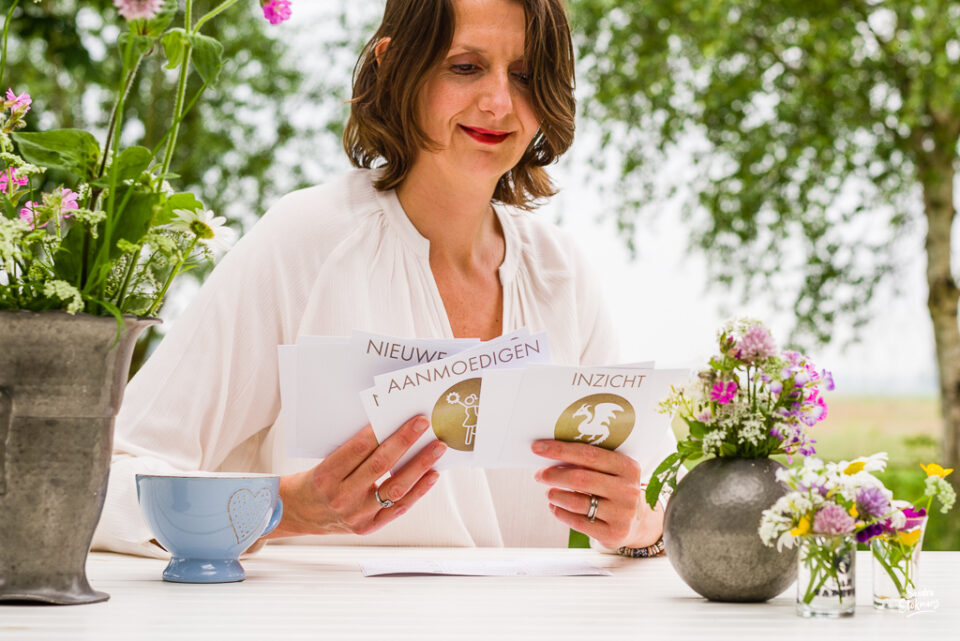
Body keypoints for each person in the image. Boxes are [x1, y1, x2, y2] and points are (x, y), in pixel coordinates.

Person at [92, 0, 675, 558]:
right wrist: (284, 509)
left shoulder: (562, 275)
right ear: (394, 65)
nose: (499, 102)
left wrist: (639, 525)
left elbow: (645, 507)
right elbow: (109, 480)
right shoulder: (306, 241)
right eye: (465, 67)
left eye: (524, 76)